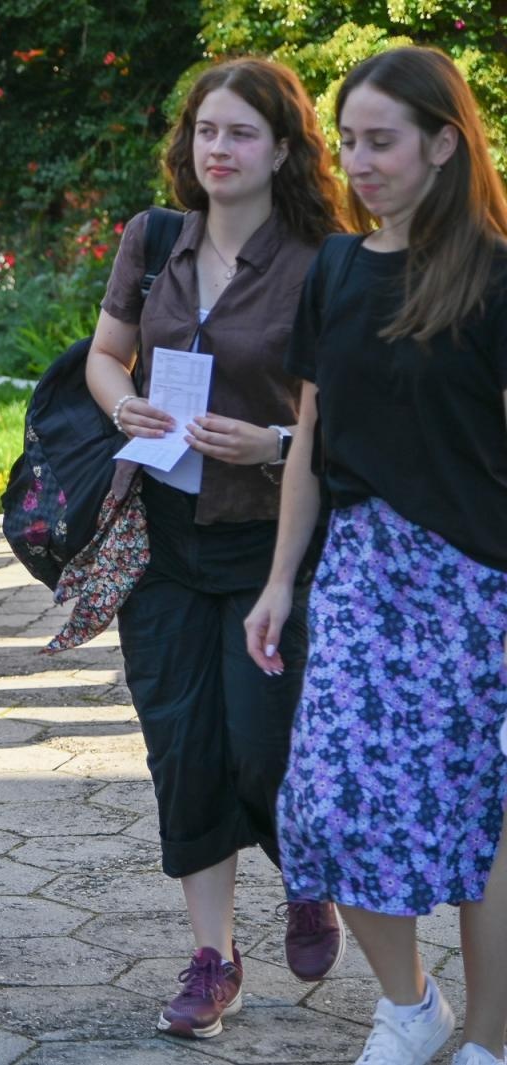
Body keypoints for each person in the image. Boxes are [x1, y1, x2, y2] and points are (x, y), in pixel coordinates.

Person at [245, 46, 507, 1065]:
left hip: (476, 586)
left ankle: (489, 1039)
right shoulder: (338, 270)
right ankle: (409, 1006)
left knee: (477, 820)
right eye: (348, 141)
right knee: (323, 800)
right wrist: (278, 581)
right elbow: (309, 435)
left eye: (381, 141)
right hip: (358, 571)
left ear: (443, 143)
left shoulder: (494, 277)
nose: (359, 161)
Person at [84, 58, 350, 1039]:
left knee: (264, 749)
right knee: (181, 751)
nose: (218, 150)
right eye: (205, 132)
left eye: (239, 133)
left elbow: (352, 415)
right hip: (158, 539)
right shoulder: (153, 240)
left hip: (270, 548)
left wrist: (275, 443)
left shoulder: (327, 259)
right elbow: (105, 353)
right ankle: (212, 958)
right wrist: (125, 403)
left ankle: (307, 877)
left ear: (282, 148)